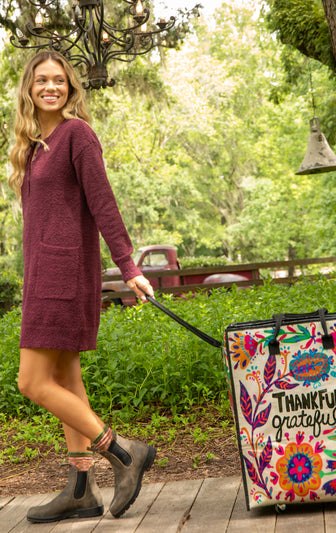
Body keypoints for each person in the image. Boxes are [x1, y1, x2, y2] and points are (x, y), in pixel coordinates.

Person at [8, 50, 156, 523]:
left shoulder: (77, 135)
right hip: (41, 275)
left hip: (64, 275)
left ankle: (125, 453)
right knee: (66, 377)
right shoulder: (34, 144)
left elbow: (103, 203)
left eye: (59, 81)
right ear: (29, 89)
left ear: (71, 88)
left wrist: (128, 265)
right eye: (41, 81)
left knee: (31, 382)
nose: (50, 88)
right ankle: (80, 488)